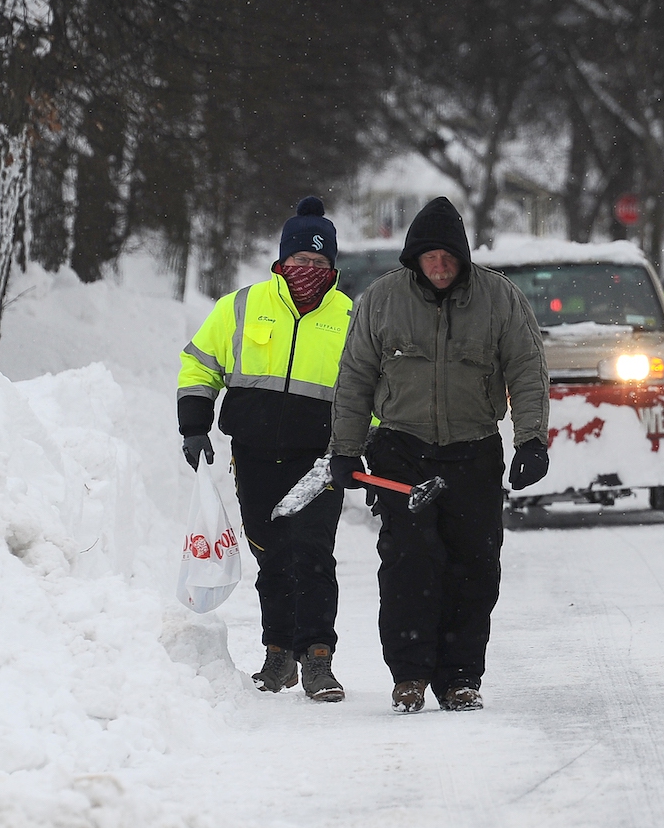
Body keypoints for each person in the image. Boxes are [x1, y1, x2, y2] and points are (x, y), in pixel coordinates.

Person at [327, 196, 550, 713]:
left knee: (474, 565)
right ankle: (409, 674)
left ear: (463, 257)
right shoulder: (381, 301)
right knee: (409, 562)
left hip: (474, 451)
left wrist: (531, 439)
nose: (440, 265)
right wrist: (345, 449)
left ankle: (461, 678)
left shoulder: (500, 299)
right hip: (401, 451)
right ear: (414, 258)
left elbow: (527, 369)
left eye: (449, 256)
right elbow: (355, 378)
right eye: (430, 256)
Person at [178, 198, 353, 700]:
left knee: (313, 554)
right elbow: (199, 365)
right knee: (272, 557)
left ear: (332, 267)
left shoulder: (351, 317)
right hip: (253, 456)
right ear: (282, 261)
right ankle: (278, 654)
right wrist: (194, 424)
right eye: (300, 261)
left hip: (320, 461)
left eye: (320, 264)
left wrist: (358, 445)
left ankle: (318, 657)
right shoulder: (241, 305)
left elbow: (373, 389)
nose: (309, 271)